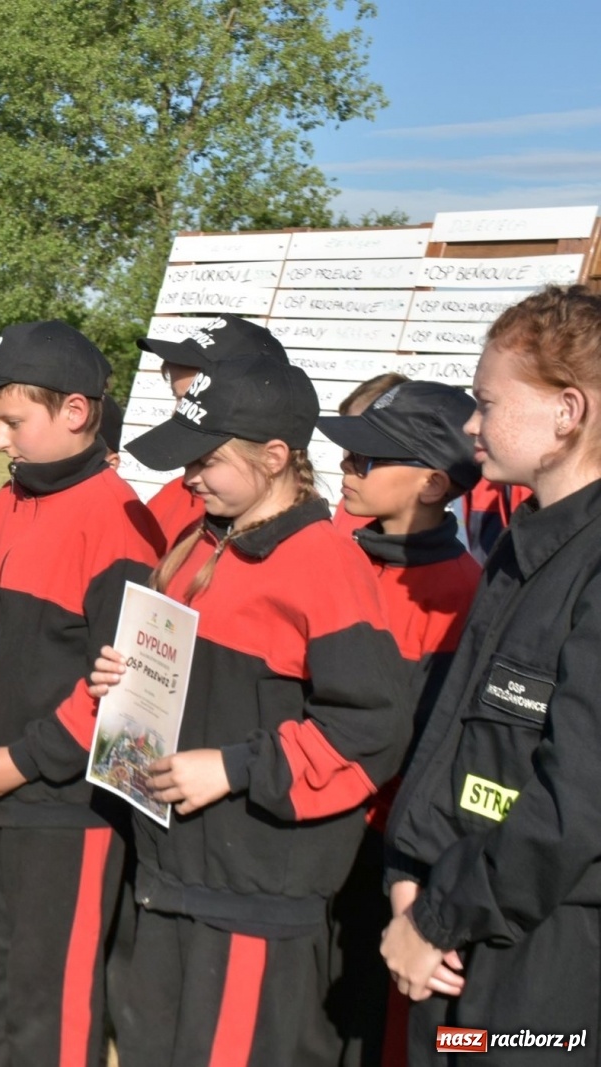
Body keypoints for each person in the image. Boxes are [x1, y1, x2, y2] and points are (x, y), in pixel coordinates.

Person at [96, 353, 410, 1067]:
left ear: (274, 457)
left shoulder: (324, 564)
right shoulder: (198, 543)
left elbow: (370, 729)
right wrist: (120, 678)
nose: (189, 477)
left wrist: (235, 767)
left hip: (253, 902)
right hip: (169, 876)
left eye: (205, 460)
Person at [0, 321, 164, 1067]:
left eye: (12, 422)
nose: (0, 442)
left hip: (62, 810)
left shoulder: (122, 523)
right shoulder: (6, 504)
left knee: (49, 1005)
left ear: (75, 411)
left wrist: (22, 761)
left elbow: (128, 691)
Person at [382, 287, 601, 1064]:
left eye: (485, 402)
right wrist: (409, 880)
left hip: (539, 980)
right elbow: (453, 740)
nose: (470, 425)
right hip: (451, 948)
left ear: (567, 411)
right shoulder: (520, 545)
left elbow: (574, 805)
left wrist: (437, 913)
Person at [315, 379, 482, 1066]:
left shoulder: (461, 595)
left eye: (368, 460)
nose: (347, 470)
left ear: (432, 483)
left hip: (377, 861)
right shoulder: (332, 556)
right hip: (301, 841)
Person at [135, 315, 291, 548]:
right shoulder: (174, 495)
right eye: (178, 399)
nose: (178, 414)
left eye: (192, 401)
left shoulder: (297, 542)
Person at [331, 373, 413, 536]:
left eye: (363, 441)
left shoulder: (382, 508)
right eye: (347, 440)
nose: (347, 461)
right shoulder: (352, 498)